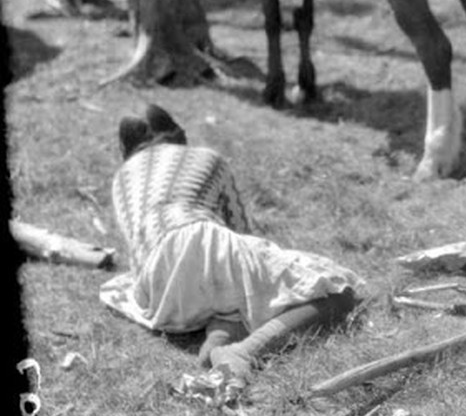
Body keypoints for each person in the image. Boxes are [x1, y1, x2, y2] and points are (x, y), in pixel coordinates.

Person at [100, 104, 367, 399]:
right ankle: (244, 351)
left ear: (126, 151)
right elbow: (240, 230)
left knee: (229, 282)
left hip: (155, 289)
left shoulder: (121, 179)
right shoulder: (206, 159)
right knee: (339, 289)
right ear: (180, 135)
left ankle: (222, 331)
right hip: (201, 237)